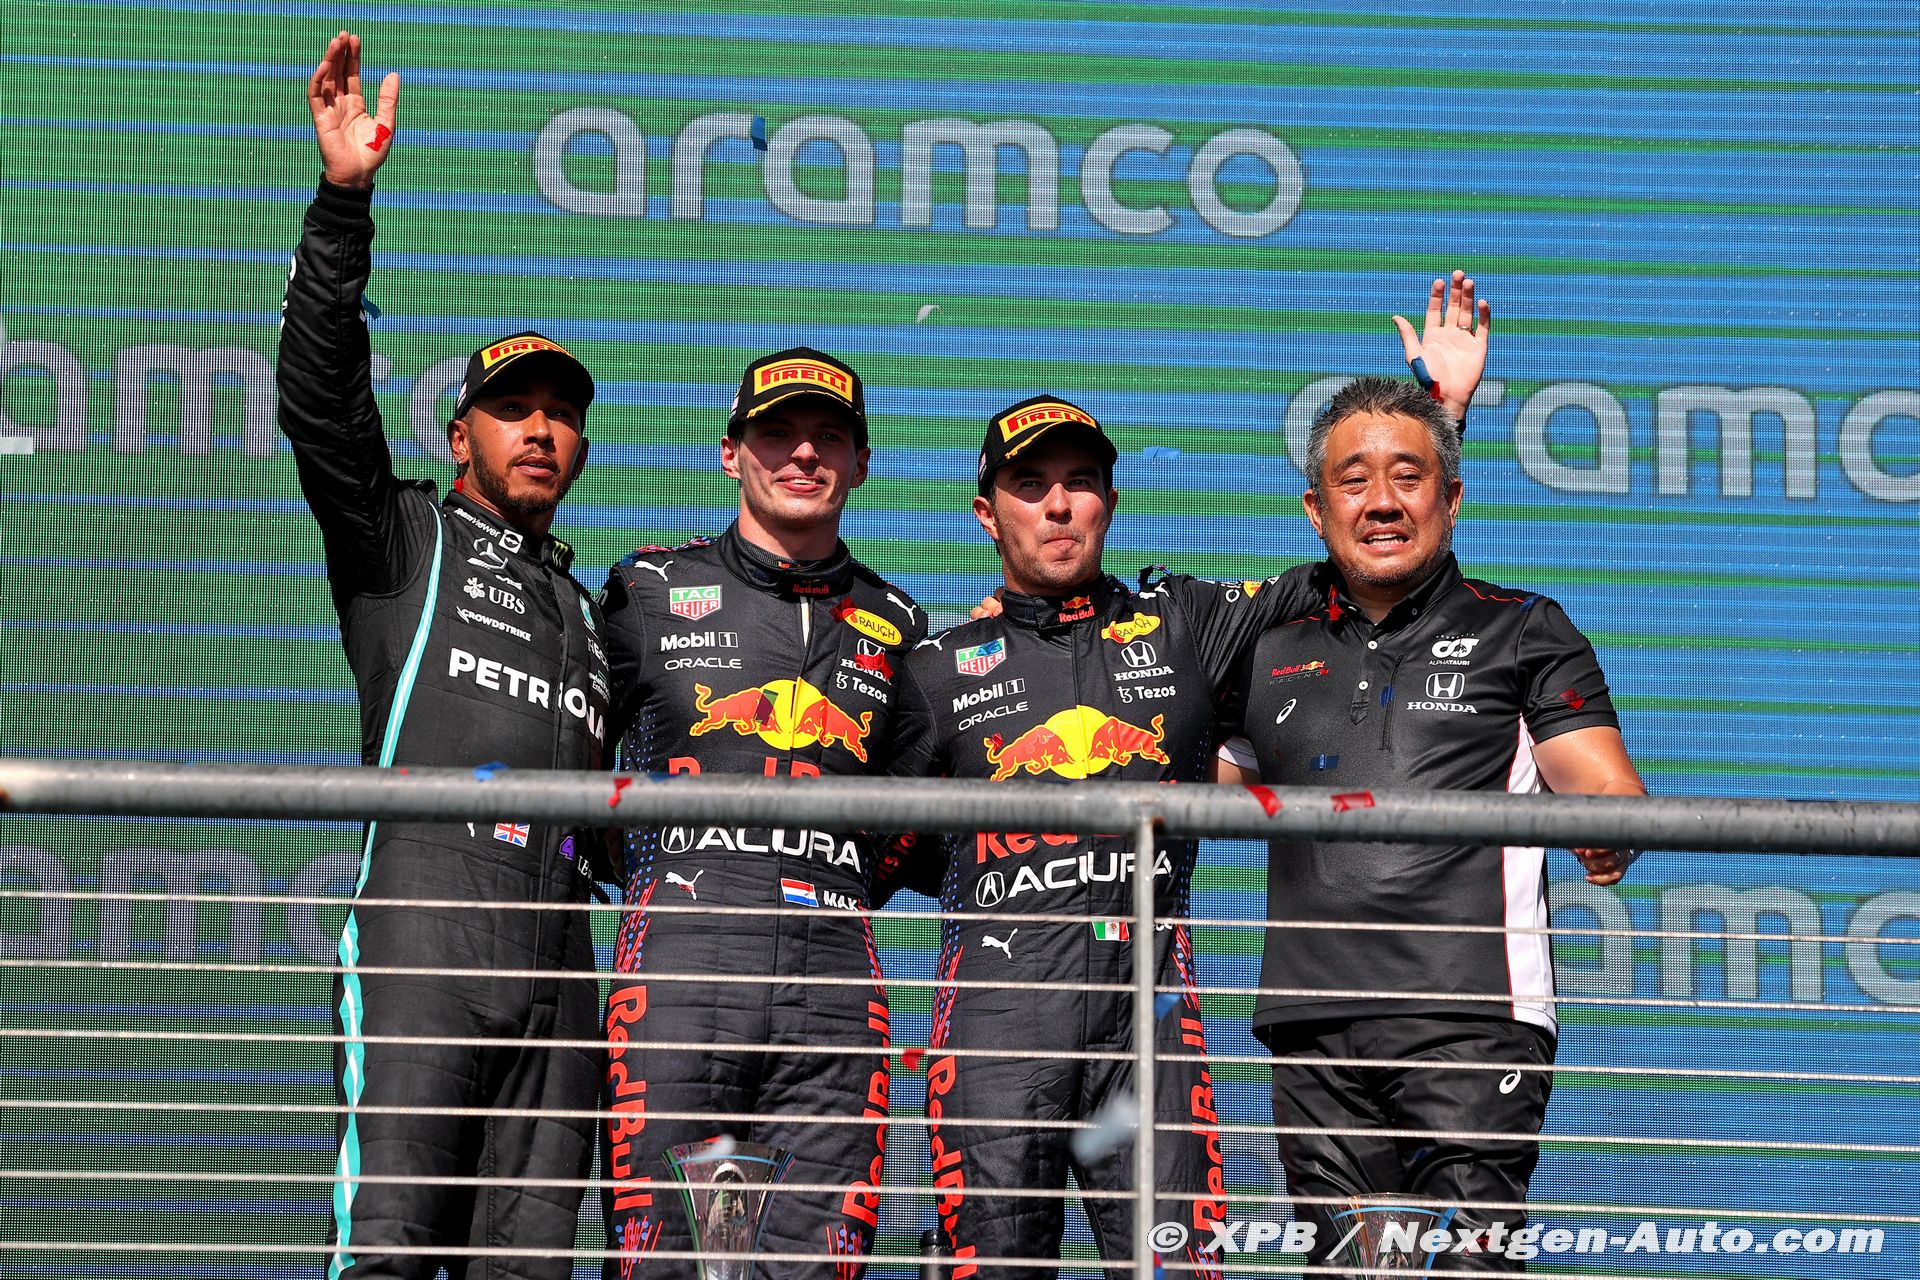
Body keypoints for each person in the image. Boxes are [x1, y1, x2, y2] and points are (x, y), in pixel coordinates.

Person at [277, 32, 611, 1280]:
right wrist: (342, 203)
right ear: (460, 434)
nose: (542, 429)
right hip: (426, 930)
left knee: (526, 1271)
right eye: (514, 409)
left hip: (559, 957)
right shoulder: (403, 538)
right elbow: (320, 402)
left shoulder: (592, 608)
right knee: (389, 1252)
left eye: (562, 413)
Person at [880, 394, 1328, 1278]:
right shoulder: (935, 671)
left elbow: (1345, 573)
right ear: (986, 514)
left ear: (1110, 505)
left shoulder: (1183, 624)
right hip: (998, 1030)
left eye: (1079, 483)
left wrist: (1443, 416)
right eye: (1030, 486)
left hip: (1149, 1028)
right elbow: (885, 851)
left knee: (1177, 1268)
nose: (1057, 505)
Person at [1217, 373, 1646, 1272]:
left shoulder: (1523, 627)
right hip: (1314, 1026)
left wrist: (1607, 824)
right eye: (1354, 481)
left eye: (1408, 478)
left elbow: (1605, 786)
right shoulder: (1264, 648)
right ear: (1315, 510)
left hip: (1473, 1018)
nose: (1382, 502)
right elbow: (1197, 790)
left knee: (1468, 1267)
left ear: (1451, 500)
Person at [596, 347, 926, 1278]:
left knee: (813, 1266)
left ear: (862, 463)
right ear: (730, 452)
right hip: (682, 963)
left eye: (828, 437)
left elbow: (909, 816)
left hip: (835, 978)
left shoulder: (899, 621)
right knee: (670, 1262)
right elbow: (570, 752)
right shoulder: (645, 590)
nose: (803, 453)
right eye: (776, 433)